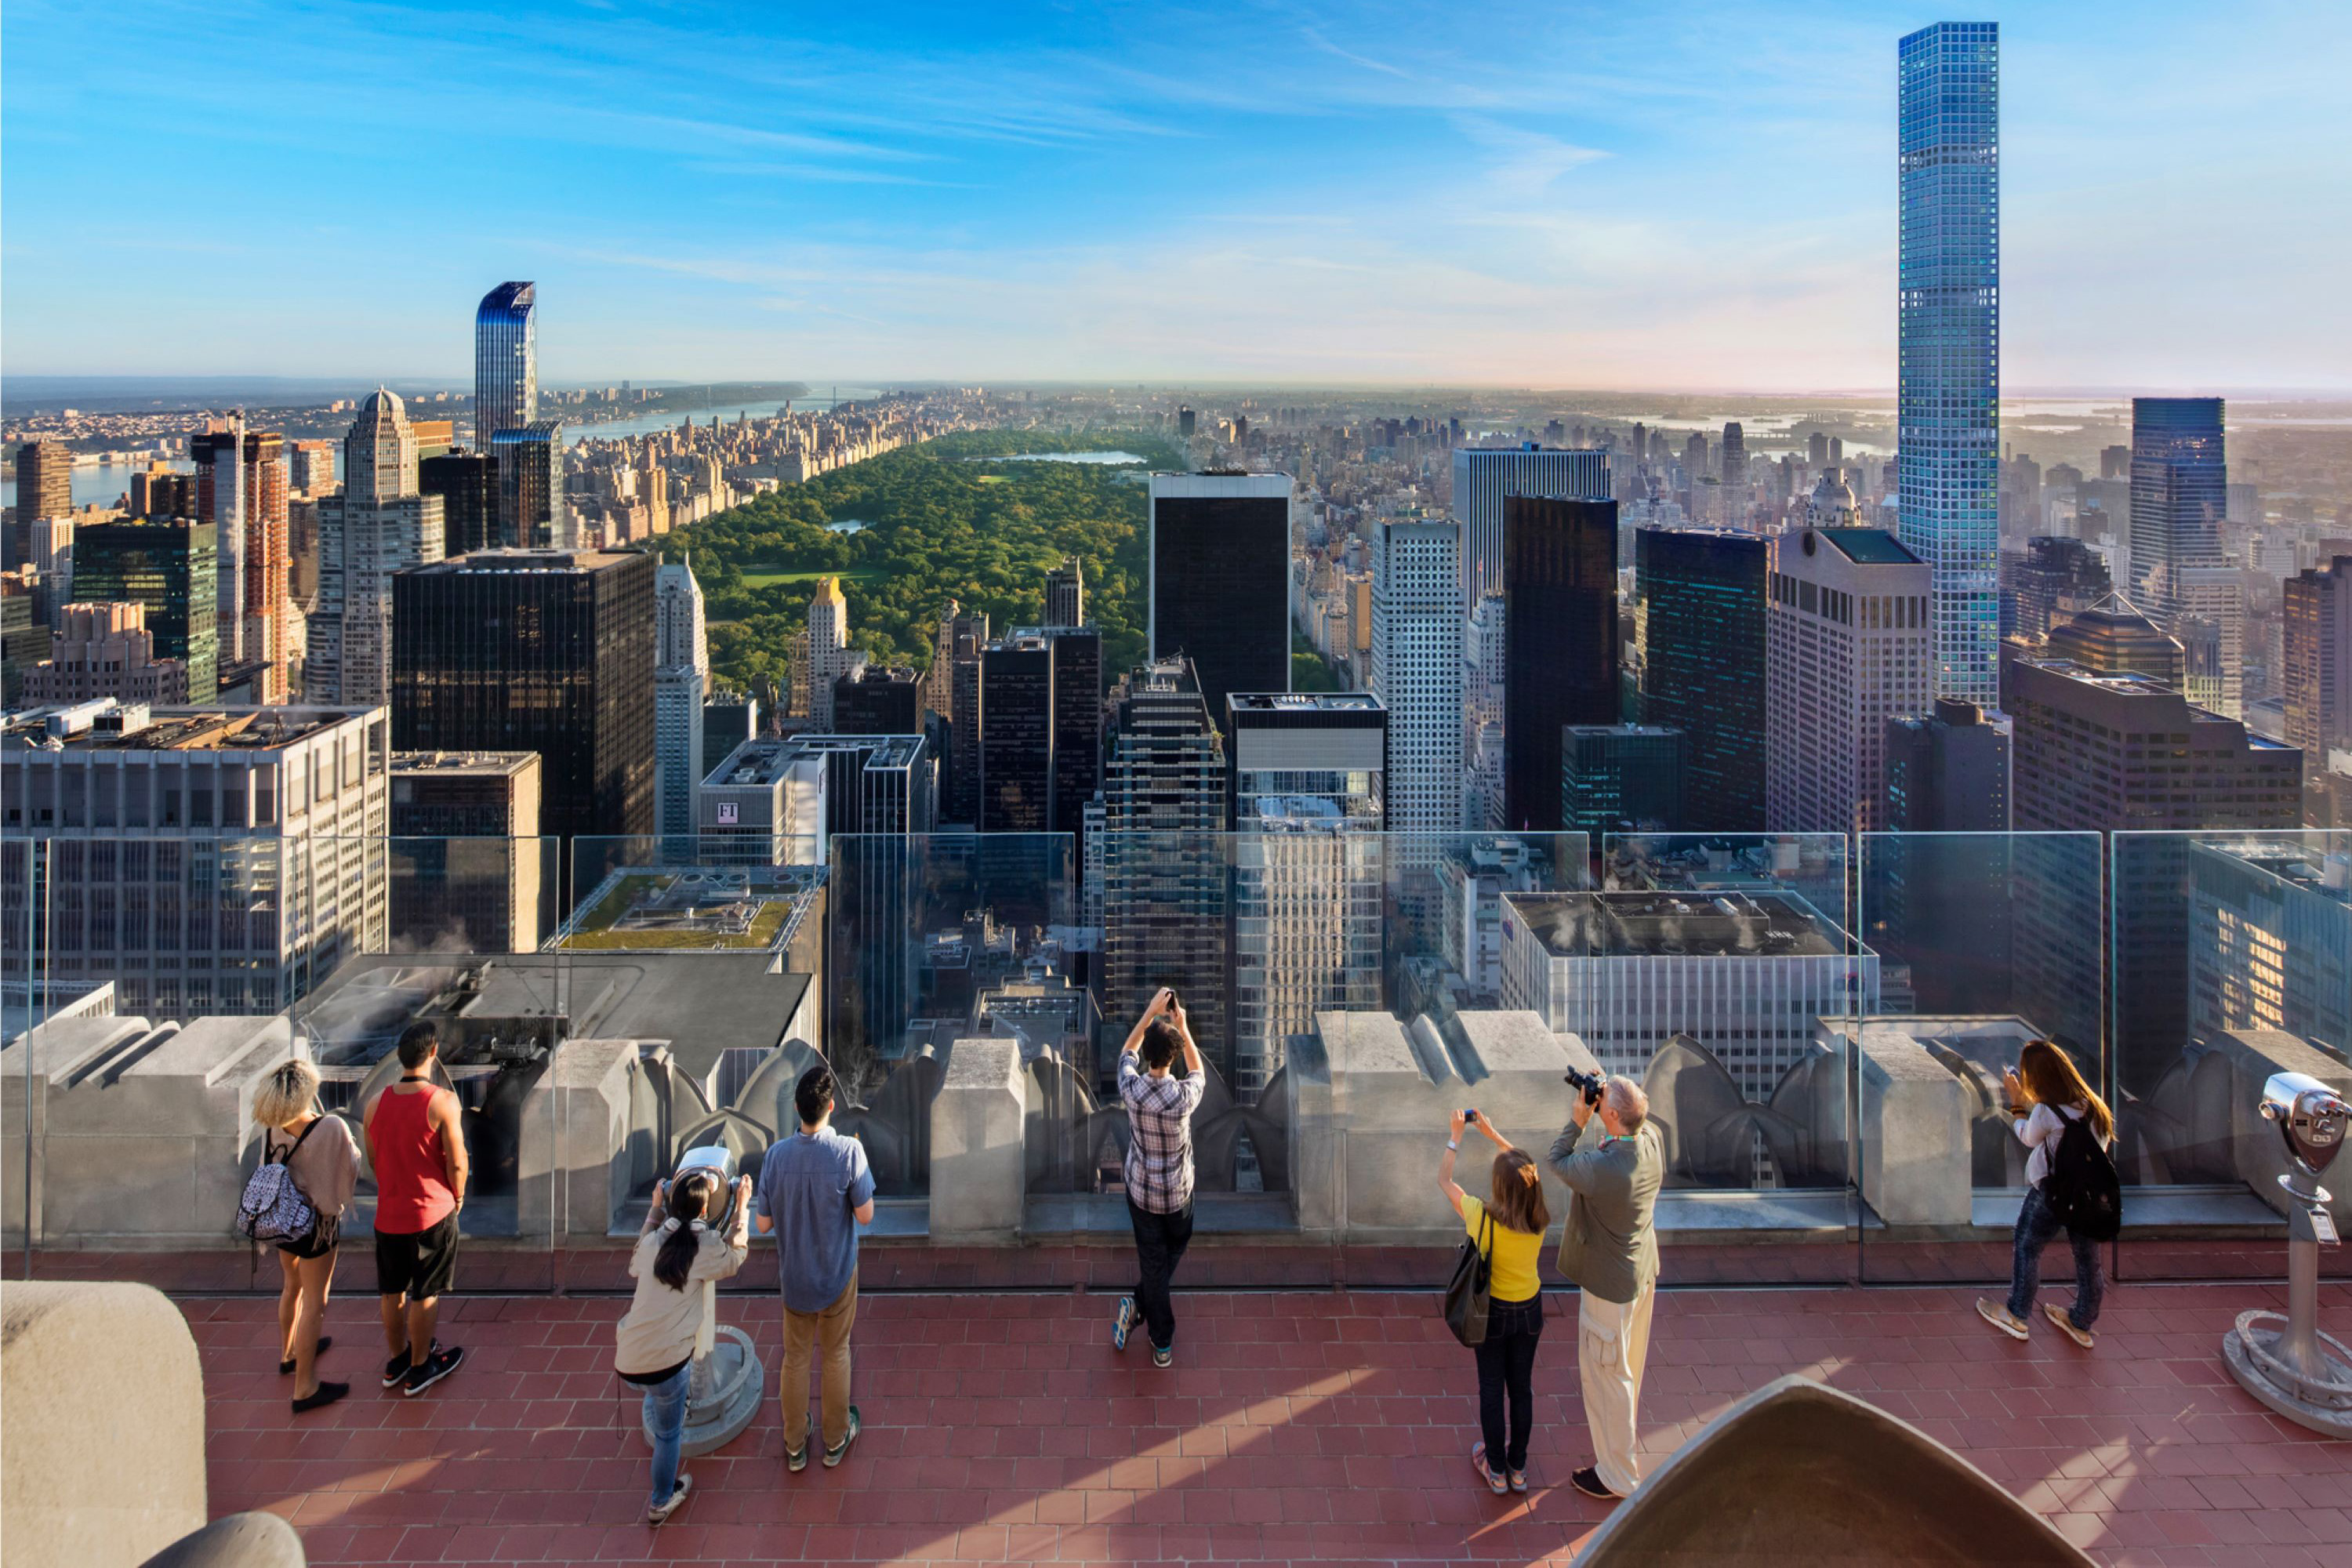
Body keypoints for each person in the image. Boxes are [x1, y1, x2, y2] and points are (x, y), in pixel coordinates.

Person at [1548, 1074, 1664, 1503]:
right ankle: (1619, 1460)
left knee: (1608, 1379)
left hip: (1608, 1289)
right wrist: (1613, 1096)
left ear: (1610, 1115)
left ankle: (1618, 1475)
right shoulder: (1651, 1142)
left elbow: (1558, 1160)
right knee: (1626, 1371)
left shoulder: (1603, 1169)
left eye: (1603, 1104)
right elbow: (1638, 1115)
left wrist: (1579, 1119)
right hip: (1641, 1274)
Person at [616, 1166, 753, 1526]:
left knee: (661, 1401)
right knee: (669, 1435)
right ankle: (661, 1499)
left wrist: (654, 1210)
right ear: (705, 1211)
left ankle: (661, 1403)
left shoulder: (654, 1243)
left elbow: (634, 1264)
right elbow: (735, 1259)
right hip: (668, 1364)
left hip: (629, 1358)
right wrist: (742, 1209)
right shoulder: (703, 1247)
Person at [756, 1063, 875, 1472]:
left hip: (795, 1278)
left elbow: (763, 1223)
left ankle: (794, 1443)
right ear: (831, 1106)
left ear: (796, 1107)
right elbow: (865, 1215)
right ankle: (836, 1438)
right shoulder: (848, 1152)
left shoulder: (775, 1157)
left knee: (795, 1358)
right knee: (836, 1352)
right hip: (837, 1274)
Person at [1439, 1108, 1552, 1496]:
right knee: (1521, 1388)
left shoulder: (1481, 1217)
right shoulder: (1539, 1217)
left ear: (1499, 1188)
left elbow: (1444, 1180)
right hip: (1530, 1310)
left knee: (1491, 1387)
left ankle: (1496, 1469)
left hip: (1493, 1314)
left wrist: (1458, 1136)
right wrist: (1495, 1135)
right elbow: (1530, 1170)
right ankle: (1518, 1468)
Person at [1978, 1040, 2114, 1348]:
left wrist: (2015, 1101)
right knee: (2088, 1261)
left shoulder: (2044, 1111)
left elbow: (2027, 1136)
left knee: (2028, 1246)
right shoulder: (2091, 1103)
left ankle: (2017, 1315)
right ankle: (2081, 1323)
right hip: (2092, 1196)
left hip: (2052, 1193)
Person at [365, 1021, 468, 1396]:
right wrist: (457, 1195)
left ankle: (397, 1360)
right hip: (431, 1214)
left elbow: (375, 1161)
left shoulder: (375, 1104)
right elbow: (457, 1162)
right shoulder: (443, 1101)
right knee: (426, 1292)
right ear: (434, 1052)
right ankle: (421, 1366)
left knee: (391, 1291)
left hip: (388, 1214)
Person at [253, 1058, 361, 1414]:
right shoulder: (330, 1126)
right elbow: (352, 1163)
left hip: (285, 1220)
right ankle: (305, 1387)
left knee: (291, 1287)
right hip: (317, 1224)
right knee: (316, 1301)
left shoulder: (274, 1126)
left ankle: (288, 1354)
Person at [1111, 987, 1205, 1369]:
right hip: (1178, 1196)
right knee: (1172, 1250)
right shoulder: (1184, 1096)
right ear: (1172, 1055)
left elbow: (1125, 1054)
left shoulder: (1132, 1090)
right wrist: (1182, 1027)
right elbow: (1197, 1069)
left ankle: (1139, 1306)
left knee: (1153, 1263)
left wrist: (1150, 1013)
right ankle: (1160, 1339)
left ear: (1149, 1055)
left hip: (1141, 1195)